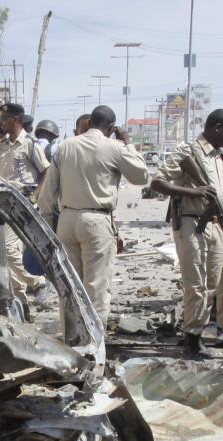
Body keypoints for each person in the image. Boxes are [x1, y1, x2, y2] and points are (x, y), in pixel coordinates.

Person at [37, 105, 148, 329]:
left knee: (70, 284)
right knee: (96, 286)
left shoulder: (65, 147)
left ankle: (72, 338)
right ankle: (94, 345)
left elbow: (47, 194)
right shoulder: (114, 147)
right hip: (96, 221)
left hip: (67, 220)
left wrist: (49, 224)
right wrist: (128, 143)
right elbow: (141, 176)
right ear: (111, 127)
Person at [150, 109, 223, 354]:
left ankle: (196, 331)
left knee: (211, 285)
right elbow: (157, 183)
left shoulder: (220, 158)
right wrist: (194, 193)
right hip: (192, 223)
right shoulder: (187, 152)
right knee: (195, 284)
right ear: (217, 127)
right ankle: (192, 337)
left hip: (216, 225)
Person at [0, 102, 50, 303]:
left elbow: (46, 171)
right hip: (3, 201)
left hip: (23, 200)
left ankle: (39, 282)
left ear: (16, 120)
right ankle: (21, 301)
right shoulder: (2, 145)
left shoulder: (30, 144)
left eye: (5, 118)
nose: (2, 122)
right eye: (1, 118)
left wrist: (36, 195)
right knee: (9, 251)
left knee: (9, 250)